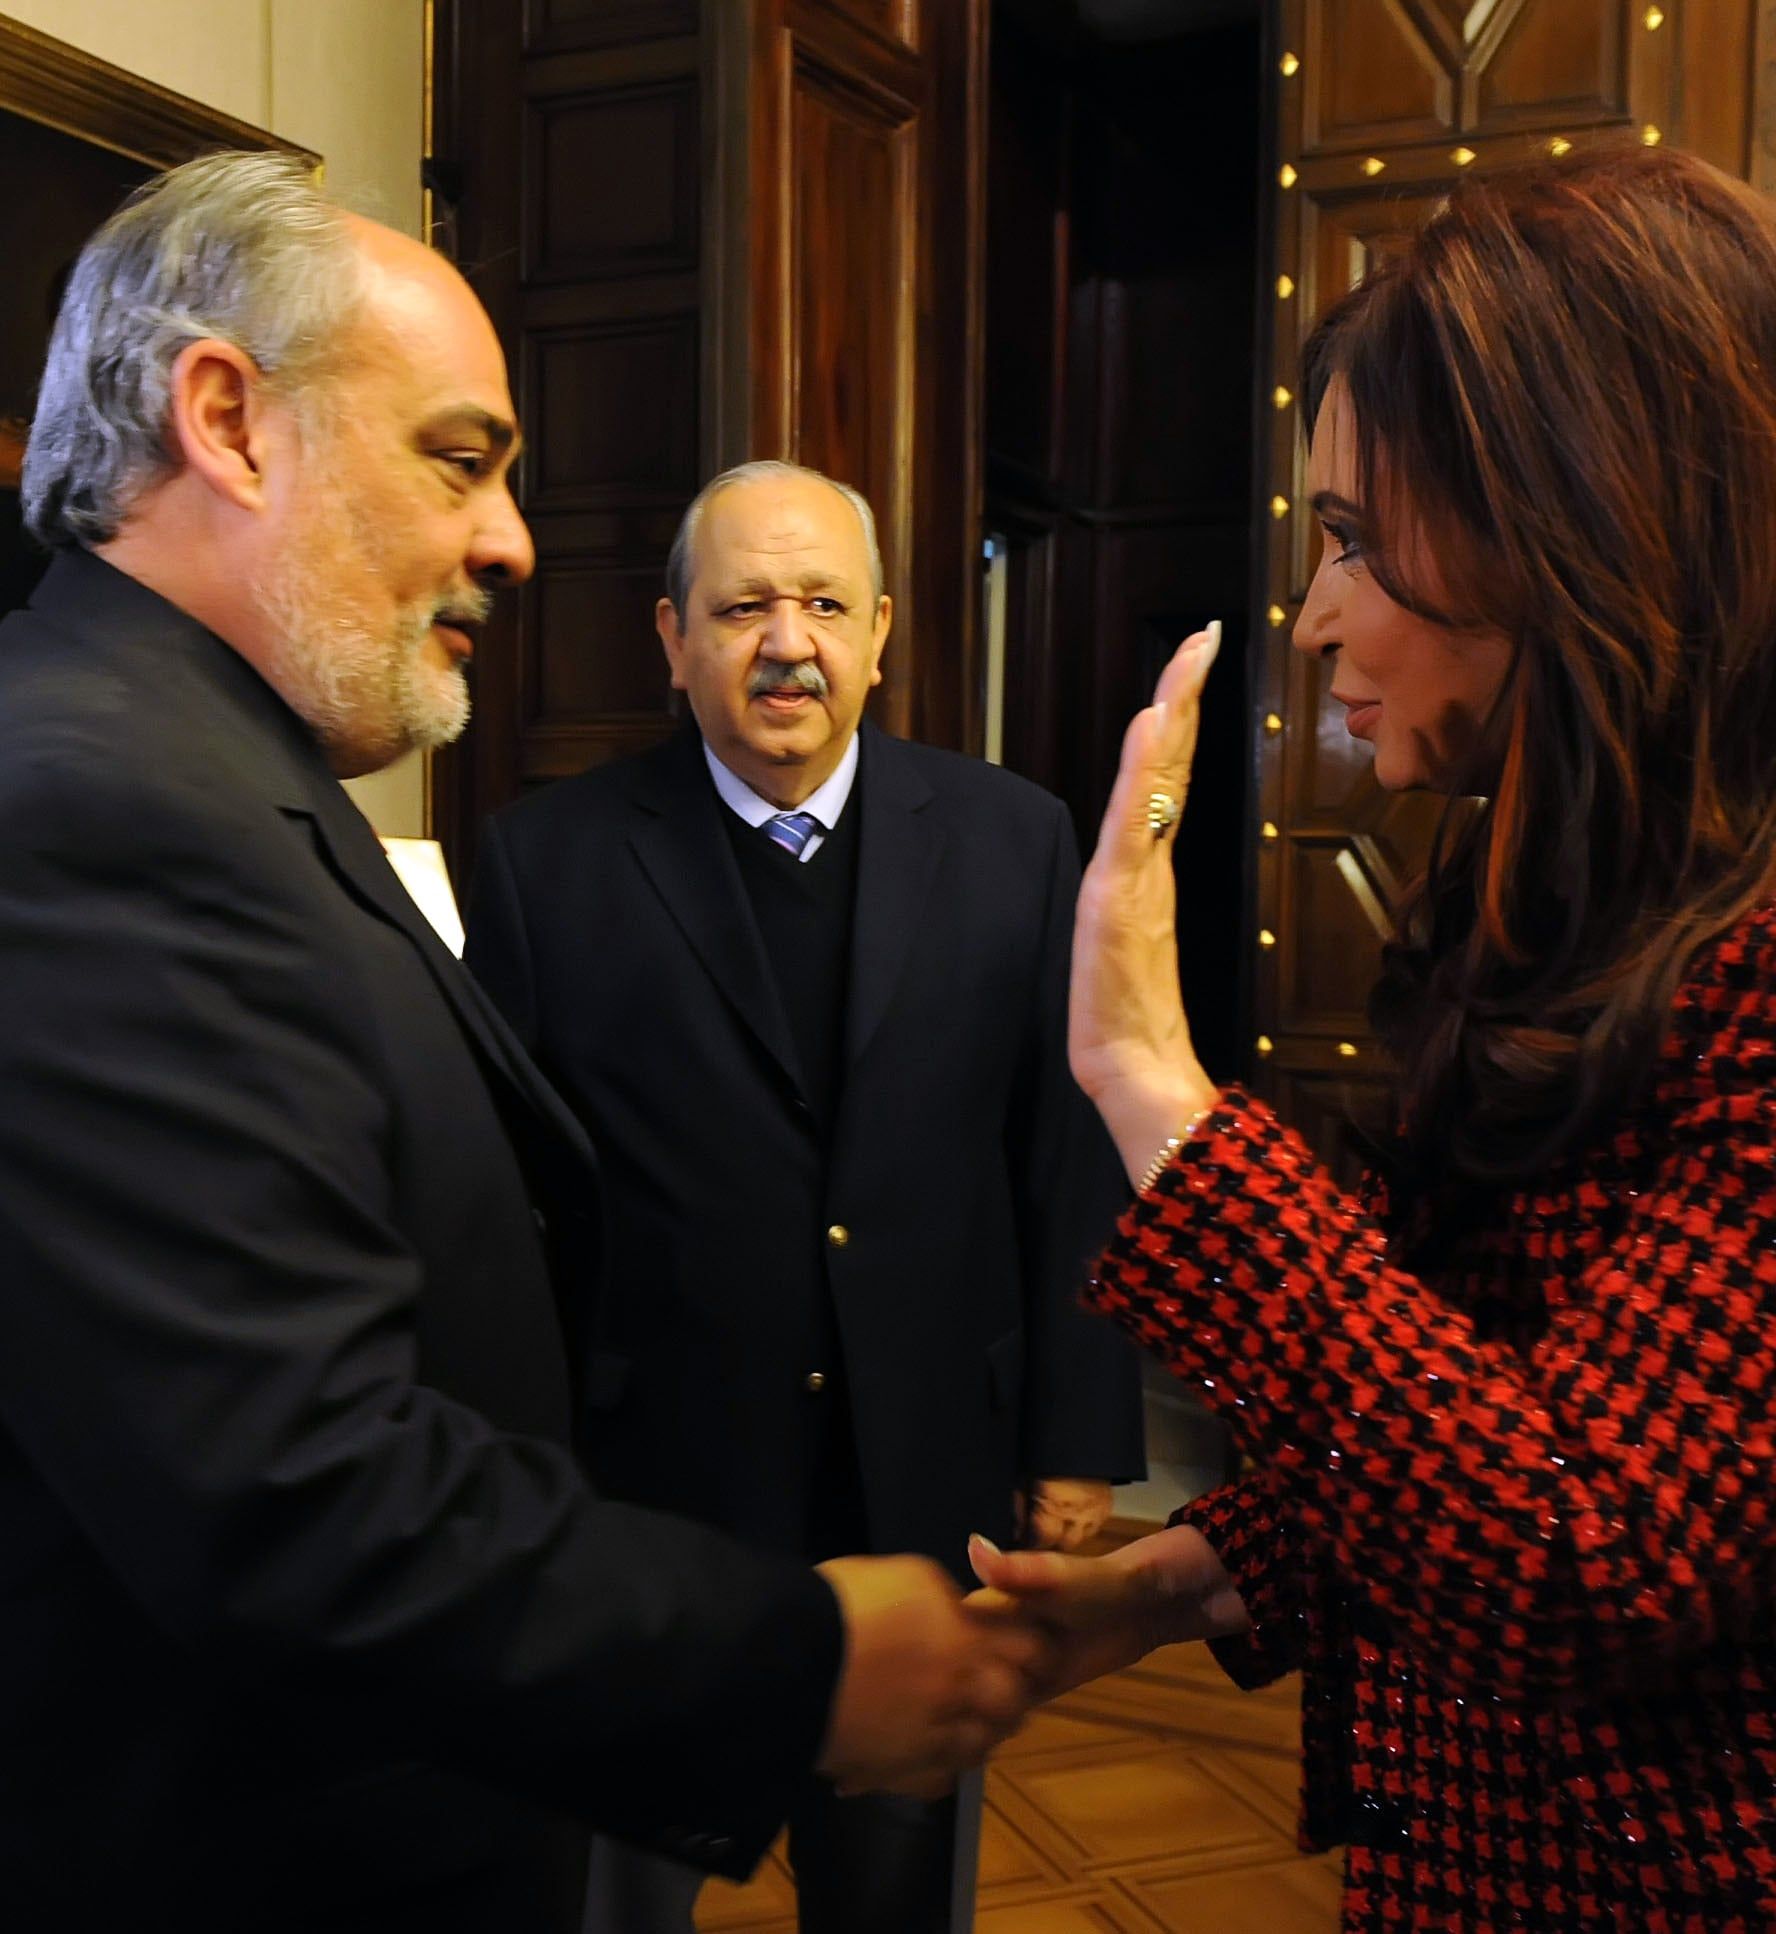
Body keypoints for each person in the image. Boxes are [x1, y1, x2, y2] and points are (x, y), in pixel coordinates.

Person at [0, 153, 1047, 1934]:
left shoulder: (204, 766)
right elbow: (295, 1485)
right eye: (460, 459)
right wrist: (798, 1658)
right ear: (229, 421)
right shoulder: (100, 802)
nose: (510, 539)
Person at [972, 145, 1776, 1931]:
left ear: (1582, 514)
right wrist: (1188, 1577)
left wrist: (1152, 1082)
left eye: (1351, 540)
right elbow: (1479, 1404)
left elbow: (1582, 1553)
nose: (1315, 612)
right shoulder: (1567, 912)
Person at [463, 459, 1145, 1931]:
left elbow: (1061, 1155)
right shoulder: (540, 864)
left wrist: (1075, 1447)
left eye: (826, 603)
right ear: (671, 639)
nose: (790, 640)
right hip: (656, 1486)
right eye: (745, 605)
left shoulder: (1016, 839)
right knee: (622, 1879)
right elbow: (513, 1204)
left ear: (884, 630)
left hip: (924, 1472)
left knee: (896, 1885)